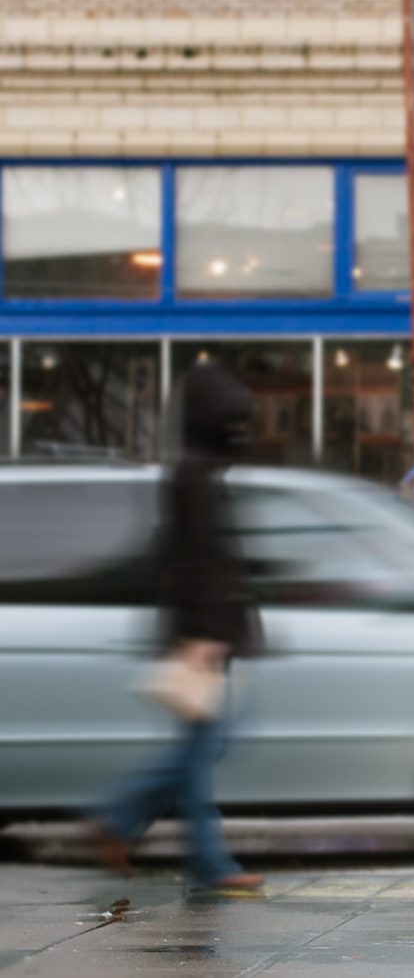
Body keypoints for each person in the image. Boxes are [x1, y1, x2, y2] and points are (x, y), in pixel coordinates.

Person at [92, 362, 264, 892]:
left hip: (208, 632)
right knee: (198, 751)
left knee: (201, 750)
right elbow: (197, 561)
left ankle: (130, 827)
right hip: (202, 637)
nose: (239, 428)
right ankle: (132, 824)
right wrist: (207, 635)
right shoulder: (193, 476)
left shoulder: (199, 472)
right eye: (230, 419)